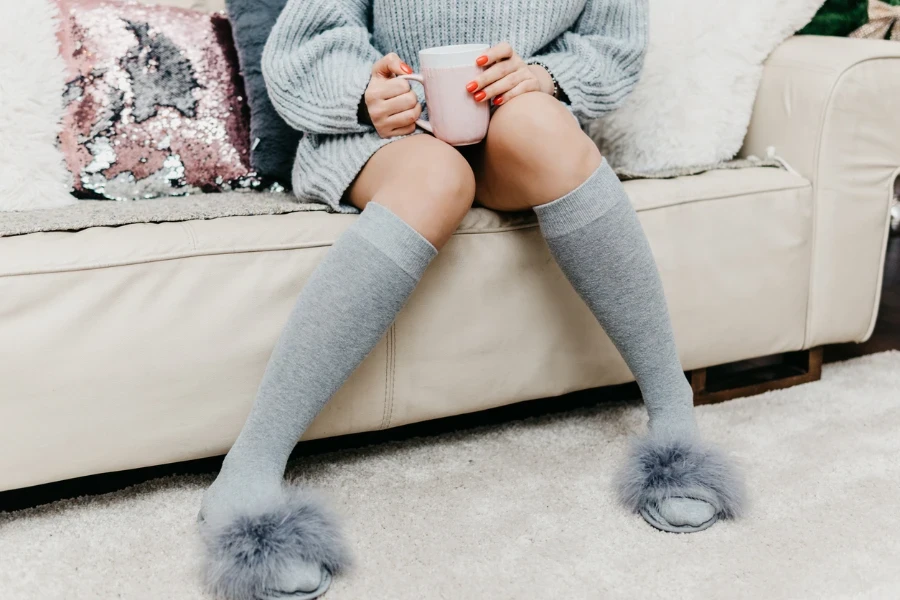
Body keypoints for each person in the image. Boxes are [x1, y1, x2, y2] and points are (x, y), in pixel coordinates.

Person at [198, 0, 744, 598]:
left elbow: (613, 43)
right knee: (439, 177)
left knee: (540, 126)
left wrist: (545, 77)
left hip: (510, 132)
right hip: (385, 136)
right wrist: (365, 93)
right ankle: (247, 471)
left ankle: (673, 416)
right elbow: (308, 40)